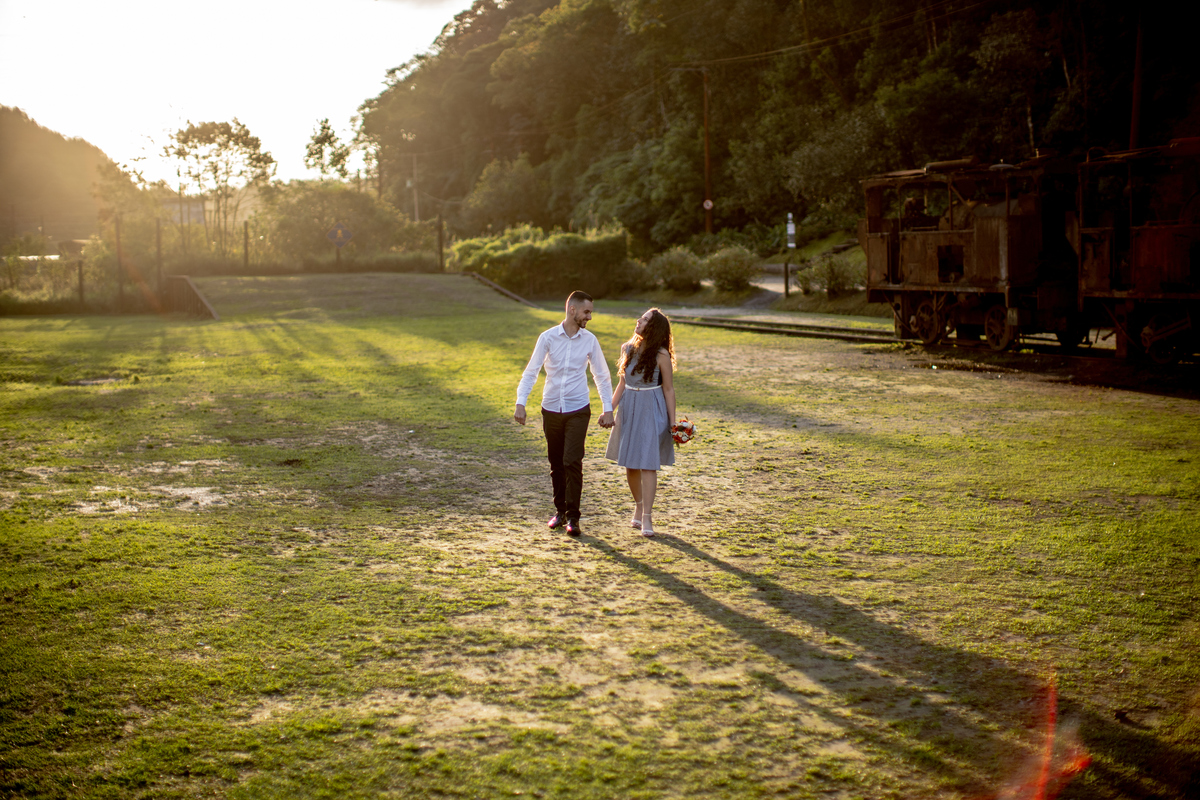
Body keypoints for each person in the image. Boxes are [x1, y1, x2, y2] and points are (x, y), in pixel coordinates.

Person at [515, 291, 614, 537]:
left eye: (590, 312)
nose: (589, 317)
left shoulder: (590, 340)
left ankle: (573, 518)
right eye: (587, 312)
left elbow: (601, 375)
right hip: (551, 409)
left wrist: (608, 408)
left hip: (578, 409)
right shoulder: (547, 338)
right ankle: (559, 512)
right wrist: (520, 402)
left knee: (572, 461)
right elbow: (531, 371)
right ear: (572, 310)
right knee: (556, 463)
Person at [605, 308, 675, 536]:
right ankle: (638, 505)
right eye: (641, 317)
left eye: (644, 320)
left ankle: (647, 516)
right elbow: (621, 384)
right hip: (629, 406)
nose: (639, 320)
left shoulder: (661, 354)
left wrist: (673, 423)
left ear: (653, 328)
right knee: (631, 463)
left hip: (651, 407)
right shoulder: (627, 348)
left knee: (647, 463)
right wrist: (609, 410)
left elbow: (669, 389)